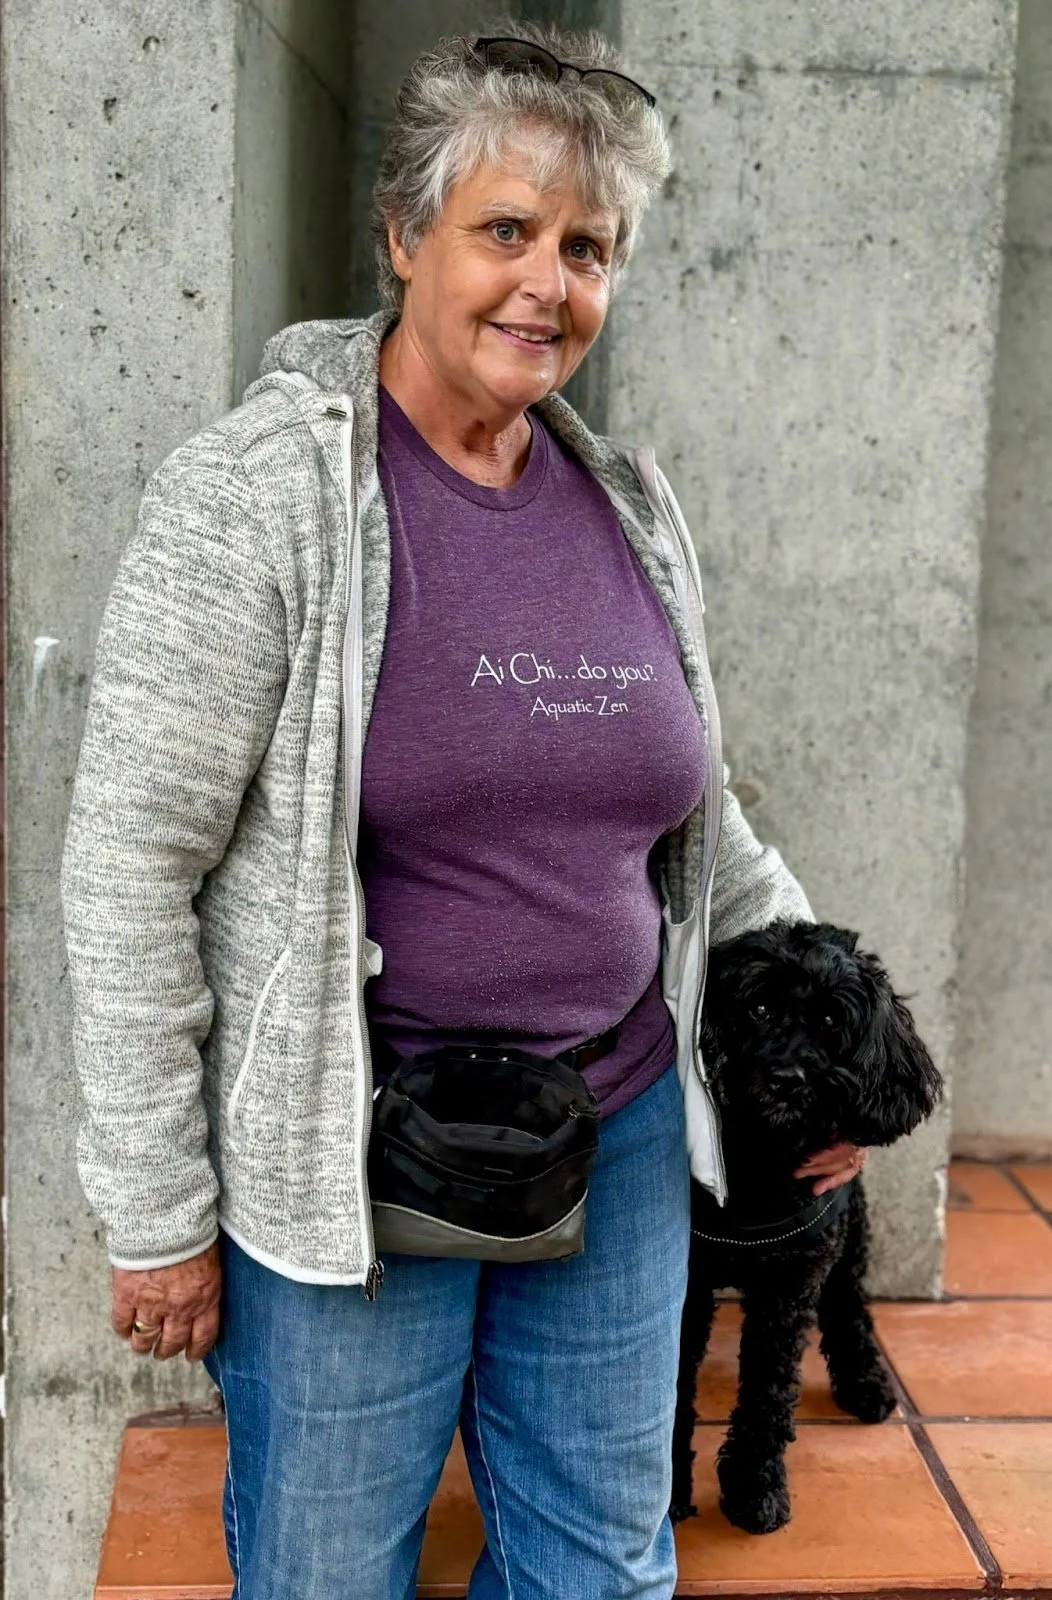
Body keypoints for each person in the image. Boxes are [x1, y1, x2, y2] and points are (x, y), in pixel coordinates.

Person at [61, 23, 866, 1600]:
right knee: (328, 1577)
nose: (545, 284)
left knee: (601, 1573)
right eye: (506, 229)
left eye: (588, 247)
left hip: (618, 1124)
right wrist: (155, 1208)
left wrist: (832, 1046)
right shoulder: (259, 500)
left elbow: (701, 831)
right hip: (358, 1148)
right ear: (404, 236)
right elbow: (129, 869)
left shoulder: (627, 505)